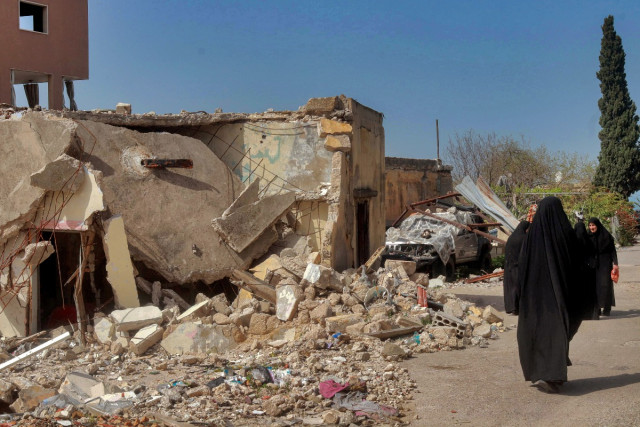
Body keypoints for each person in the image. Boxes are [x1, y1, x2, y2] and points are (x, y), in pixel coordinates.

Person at [516, 196, 591, 393]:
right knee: (556, 333)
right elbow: (579, 262)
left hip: (534, 299)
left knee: (538, 333)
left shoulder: (531, 238)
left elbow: (521, 268)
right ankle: (552, 375)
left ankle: (548, 374)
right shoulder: (565, 233)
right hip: (559, 297)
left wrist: (520, 296)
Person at [587, 217, 618, 316]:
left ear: (598, 225)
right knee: (595, 286)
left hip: (605, 263)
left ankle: (607, 308)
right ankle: (597, 308)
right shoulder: (588, 236)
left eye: (593, 225)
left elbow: (612, 250)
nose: (592, 227)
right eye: (590, 225)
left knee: (606, 285)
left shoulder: (606, 236)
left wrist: (615, 264)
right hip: (593, 264)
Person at [503, 220, 530, 315]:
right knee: (517, 287)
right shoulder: (523, 238)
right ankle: (517, 308)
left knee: (510, 287)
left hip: (508, 266)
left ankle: (511, 307)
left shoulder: (512, 237)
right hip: (517, 266)